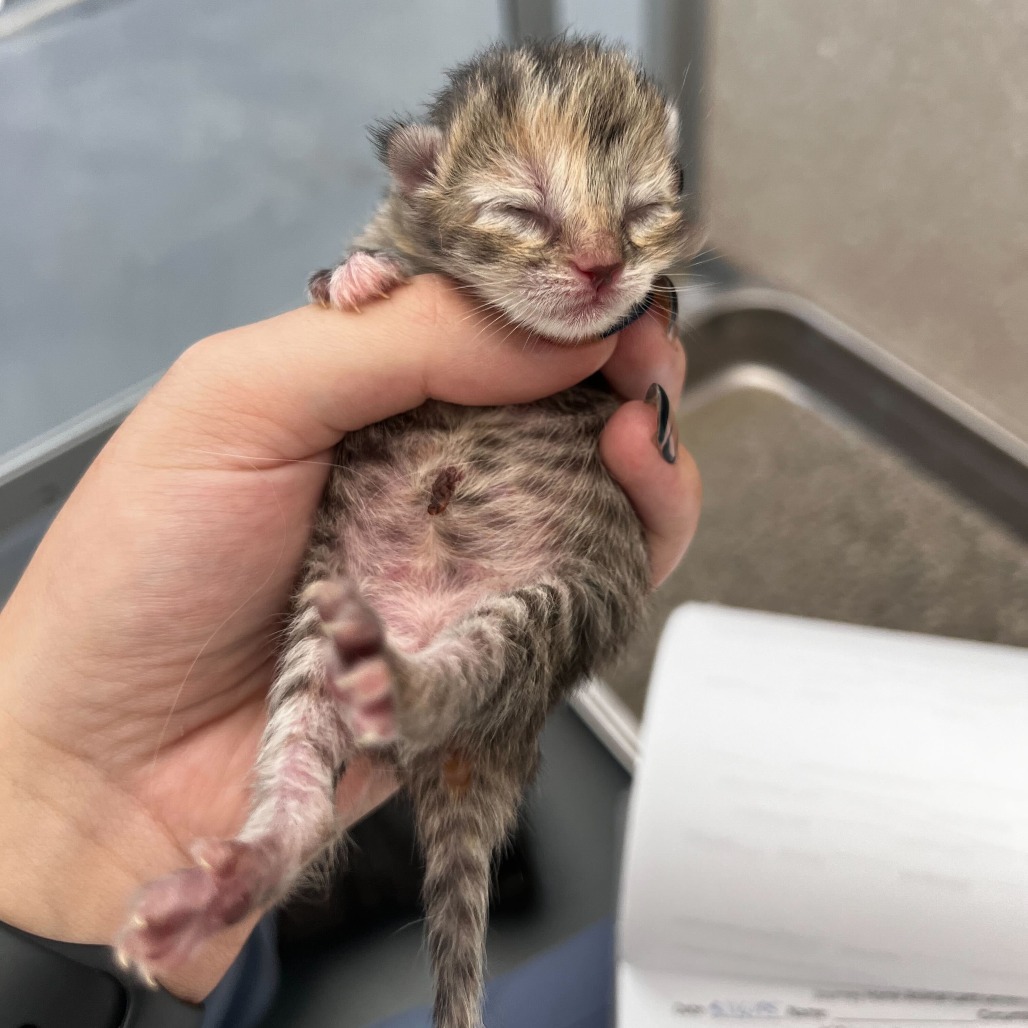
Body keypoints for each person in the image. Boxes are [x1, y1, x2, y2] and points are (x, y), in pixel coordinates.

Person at [0, 275, 700, 1022]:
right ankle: (274, 850)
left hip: (478, 570)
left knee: (516, 616)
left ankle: (305, 821)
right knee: (318, 666)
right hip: (382, 566)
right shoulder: (446, 239)